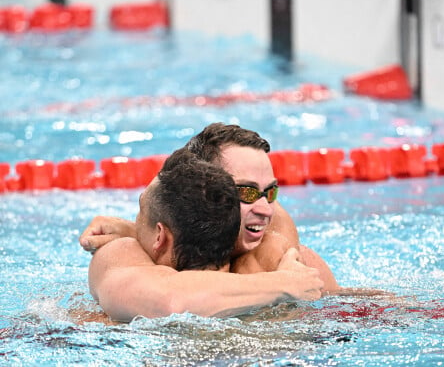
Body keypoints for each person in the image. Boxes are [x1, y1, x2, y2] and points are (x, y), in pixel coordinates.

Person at [80, 123, 340, 292]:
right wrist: (135, 229)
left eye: (270, 192)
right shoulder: (134, 255)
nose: (266, 210)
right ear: (204, 186)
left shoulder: (276, 241)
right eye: (247, 192)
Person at [89, 147, 324, 322]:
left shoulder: (121, 254)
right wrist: (287, 283)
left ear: (160, 235)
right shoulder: (293, 272)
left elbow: (171, 302)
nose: (263, 209)